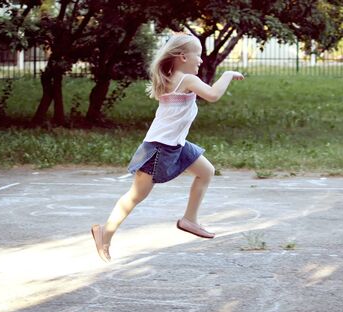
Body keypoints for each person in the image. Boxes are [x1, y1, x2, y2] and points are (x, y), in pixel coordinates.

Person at [91, 33, 244, 262]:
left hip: (176, 144)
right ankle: (105, 233)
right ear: (182, 57)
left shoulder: (173, 77)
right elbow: (212, 95)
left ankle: (189, 219)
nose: (201, 61)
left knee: (206, 171)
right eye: (198, 56)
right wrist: (228, 74)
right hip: (159, 147)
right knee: (135, 196)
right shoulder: (185, 80)